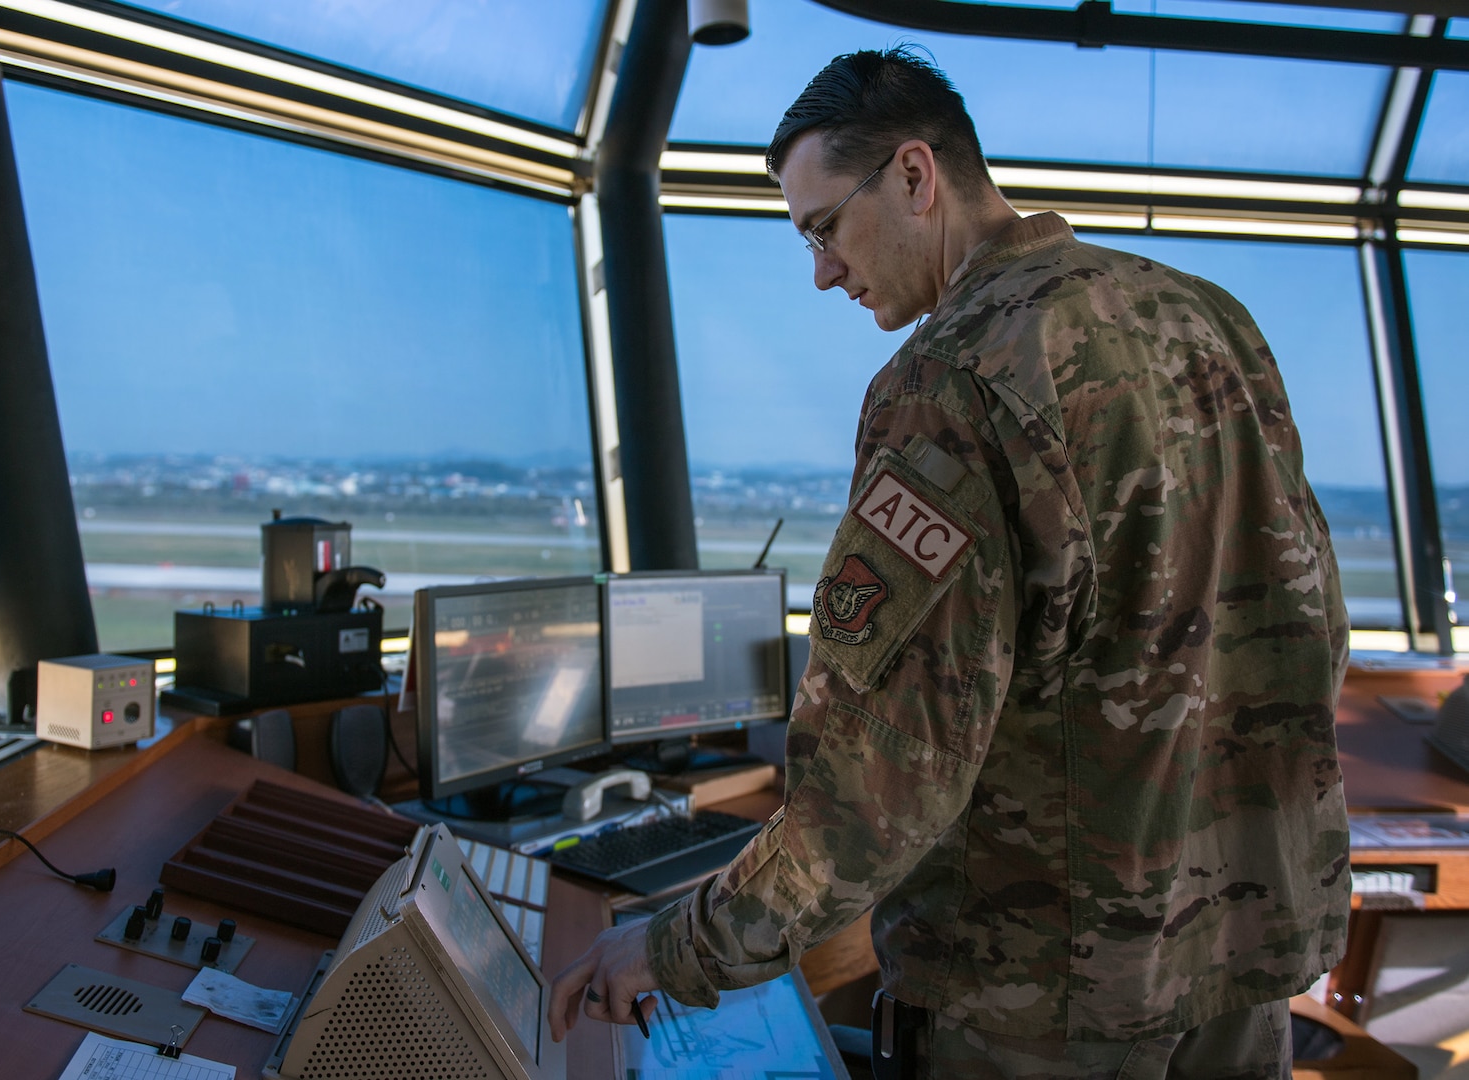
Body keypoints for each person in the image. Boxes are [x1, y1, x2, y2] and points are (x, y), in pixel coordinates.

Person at [549, 47, 1350, 1078]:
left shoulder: (951, 378)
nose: (823, 270)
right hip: (1241, 960)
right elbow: (1309, 627)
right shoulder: (1209, 321)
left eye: (824, 227)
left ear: (915, 176)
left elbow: (880, 772)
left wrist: (681, 946)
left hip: (1046, 996)